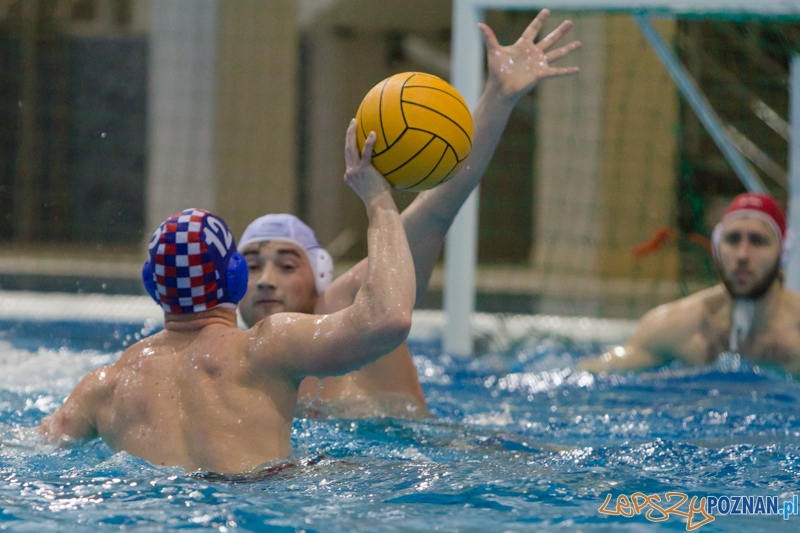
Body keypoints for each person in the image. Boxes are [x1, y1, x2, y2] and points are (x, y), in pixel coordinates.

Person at [237, 8, 582, 418]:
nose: (266, 281)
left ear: (320, 276)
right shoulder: (237, 363)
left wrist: (499, 97)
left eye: (287, 264)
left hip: (432, 468)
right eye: (252, 266)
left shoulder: (350, 306)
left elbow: (437, 210)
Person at [38, 123, 416, 474]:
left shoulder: (104, 387)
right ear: (234, 278)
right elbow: (389, 317)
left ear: (151, 286)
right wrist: (378, 200)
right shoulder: (267, 348)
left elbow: (35, 445)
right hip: (257, 505)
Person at [578, 192, 800, 374]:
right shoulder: (673, 326)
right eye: (732, 240)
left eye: (757, 241)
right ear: (717, 250)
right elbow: (594, 374)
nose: (742, 255)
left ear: (783, 253)